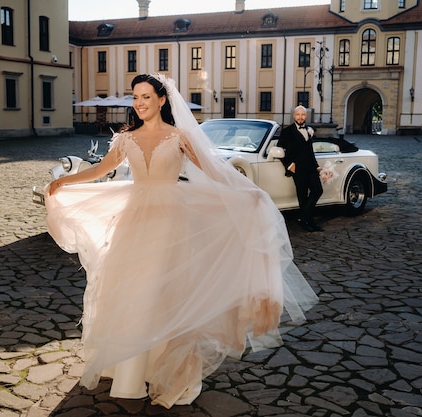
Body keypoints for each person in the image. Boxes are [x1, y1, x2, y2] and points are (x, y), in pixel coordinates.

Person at [45, 74, 318, 408]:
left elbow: (214, 170)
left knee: (165, 292)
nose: (140, 104)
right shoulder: (125, 139)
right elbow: (101, 169)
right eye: (135, 97)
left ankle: (168, 367)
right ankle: (129, 371)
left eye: (146, 97)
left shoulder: (179, 136)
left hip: (170, 222)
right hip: (134, 221)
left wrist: (248, 192)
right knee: (132, 290)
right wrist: (67, 181)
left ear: (162, 100)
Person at [277, 105, 324, 232]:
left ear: (306, 116)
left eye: (303, 115)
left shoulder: (309, 130)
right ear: (294, 116)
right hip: (297, 168)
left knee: (318, 190)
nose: (300, 117)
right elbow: (280, 150)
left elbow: (310, 151)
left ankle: (303, 217)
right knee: (302, 195)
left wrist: (317, 166)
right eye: (298, 114)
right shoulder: (286, 131)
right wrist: (289, 165)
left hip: (310, 167)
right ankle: (308, 221)